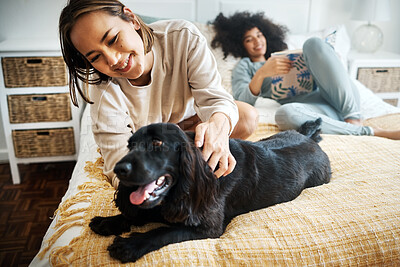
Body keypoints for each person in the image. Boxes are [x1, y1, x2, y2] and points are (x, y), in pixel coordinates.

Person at [59, 0, 259, 188]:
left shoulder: (183, 36)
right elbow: (117, 162)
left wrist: (218, 129)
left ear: (131, 19)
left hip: (193, 124)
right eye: (95, 57)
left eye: (113, 39)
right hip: (146, 144)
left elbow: (214, 99)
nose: (112, 60)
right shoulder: (103, 91)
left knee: (247, 117)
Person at [211, 11, 400, 140]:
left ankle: (353, 117)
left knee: (313, 44)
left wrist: (328, 58)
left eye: (259, 35)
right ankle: (367, 131)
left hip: (338, 97)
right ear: (240, 44)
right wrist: (262, 73)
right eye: (248, 39)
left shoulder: (290, 52)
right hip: (314, 108)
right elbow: (242, 103)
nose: (257, 41)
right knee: (285, 114)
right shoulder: (246, 66)